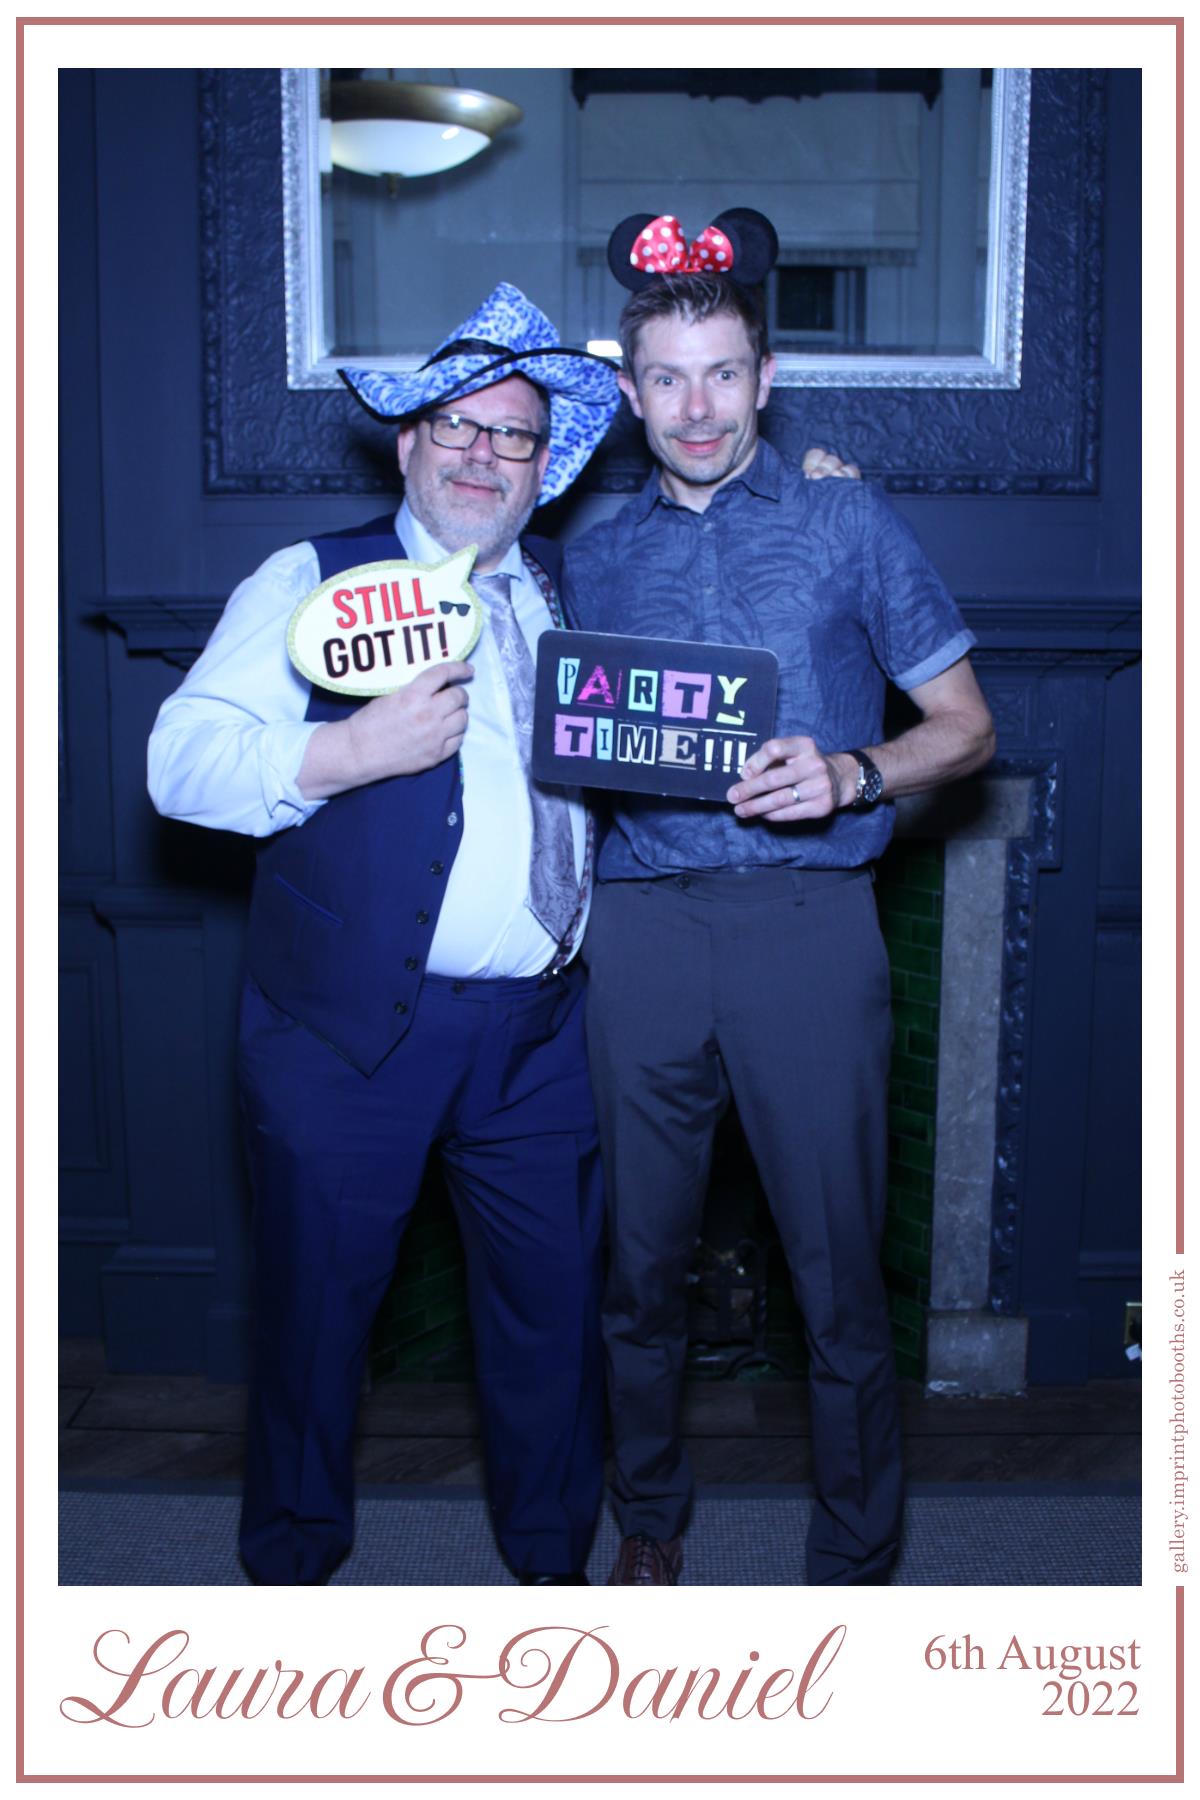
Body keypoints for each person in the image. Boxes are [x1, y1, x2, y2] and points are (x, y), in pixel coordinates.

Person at [148, 284, 622, 1586]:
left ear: (546, 465)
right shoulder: (312, 578)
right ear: (407, 443)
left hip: (541, 1038)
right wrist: (349, 749)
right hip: (346, 1034)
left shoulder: (577, 596)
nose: (481, 452)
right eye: (454, 426)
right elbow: (180, 761)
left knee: (550, 1326)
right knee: (315, 1323)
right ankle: (294, 1579)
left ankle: (549, 1575)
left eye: (513, 435)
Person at [564, 210, 996, 1587]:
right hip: (638, 934)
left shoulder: (845, 514)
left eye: (724, 373)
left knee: (834, 1273)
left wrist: (858, 770)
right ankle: (647, 1520)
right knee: (638, 1269)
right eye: (668, 380)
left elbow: (968, 727)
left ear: (767, 374)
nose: (697, 408)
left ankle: (858, 1557)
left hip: (809, 933)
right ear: (631, 391)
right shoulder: (585, 547)